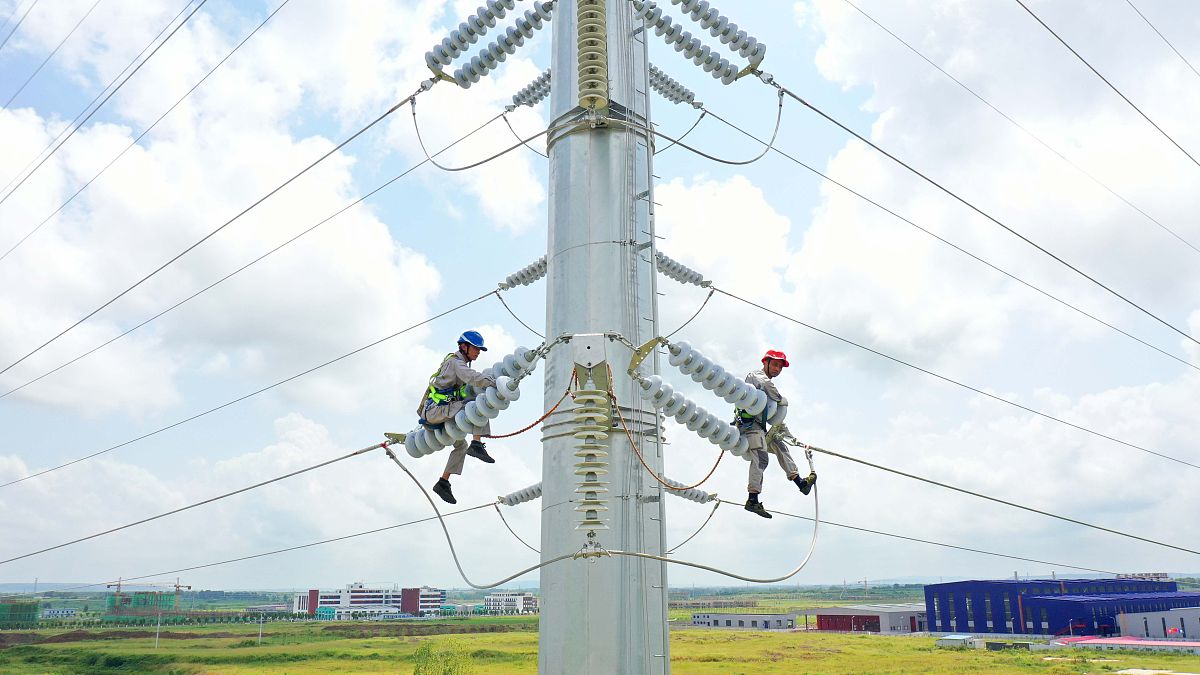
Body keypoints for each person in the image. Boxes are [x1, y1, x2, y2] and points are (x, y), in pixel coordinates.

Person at [734, 349, 816, 519]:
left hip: (760, 427)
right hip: (749, 426)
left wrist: (792, 438)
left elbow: (775, 418)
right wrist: (780, 399)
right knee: (762, 457)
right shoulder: (756, 376)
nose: (777, 369)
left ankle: (800, 483)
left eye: (780, 366)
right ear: (765, 362)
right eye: (775, 364)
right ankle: (752, 499)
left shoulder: (768, 391)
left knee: (780, 445)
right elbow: (765, 384)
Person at [418, 330, 498, 504]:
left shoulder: (459, 363)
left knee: (461, 446)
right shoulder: (456, 363)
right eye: (476, 348)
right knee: (477, 405)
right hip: (435, 411)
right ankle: (477, 444)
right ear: (464, 346)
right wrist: (494, 382)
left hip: (443, 410)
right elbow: (472, 378)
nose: (478, 352)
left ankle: (443, 482)